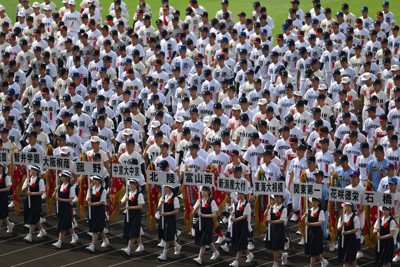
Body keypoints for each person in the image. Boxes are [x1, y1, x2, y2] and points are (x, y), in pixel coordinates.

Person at [192, 186, 220, 264]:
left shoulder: (212, 201)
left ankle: (200, 258)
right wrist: (197, 207)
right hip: (200, 222)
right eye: (202, 190)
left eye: (205, 191)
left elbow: (214, 215)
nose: (203, 192)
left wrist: (203, 215)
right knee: (207, 239)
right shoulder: (199, 201)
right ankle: (216, 252)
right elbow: (193, 213)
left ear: (208, 192)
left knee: (203, 241)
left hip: (208, 223)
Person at [52, 171, 79, 248]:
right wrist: (55, 191)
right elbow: (54, 197)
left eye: (63, 176)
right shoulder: (60, 186)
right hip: (60, 207)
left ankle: (59, 242)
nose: (61, 178)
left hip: (67, 208)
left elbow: (71, 200)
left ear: (67, 178)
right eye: (61, 177)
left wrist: (60, 199)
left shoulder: (71, 187)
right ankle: (74, 236)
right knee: (67, 224)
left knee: (62, 226)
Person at [22, 165, 47, 242]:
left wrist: (32, 193)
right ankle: (42, 231)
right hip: (28, 200)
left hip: (36, 201)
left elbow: (42, 192)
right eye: (31, 169)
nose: (32, 171)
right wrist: (27, 186)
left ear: (37, 172)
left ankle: (29, 235)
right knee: (34, 217)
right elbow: (23, 190)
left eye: (34, 170)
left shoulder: (40, 180)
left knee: (33, 217)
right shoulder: (28, 179)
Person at [302, 197, 329, 267]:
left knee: (313, 253)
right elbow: (302, 219)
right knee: (313, 249)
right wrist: (304, 216)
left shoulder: (321, 211)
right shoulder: (309, 210)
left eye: (316, 201)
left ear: (319, 203)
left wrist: (309, 224)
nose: (314, 202)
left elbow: (320, 223)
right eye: (313, 201)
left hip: (316, 233)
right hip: (310, 232)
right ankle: (323, 260)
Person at [121, 178, 145, 255]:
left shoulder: (139, 194)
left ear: (136, 185)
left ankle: (128, 248)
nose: (131, 185)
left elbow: (140, 206)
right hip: (129, 214)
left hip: (136, 215)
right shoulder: (128, 193)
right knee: (134, 231)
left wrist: (130, 207)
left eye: (133, 184)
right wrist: (125, 200)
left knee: (133, 230)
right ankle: (141, 245)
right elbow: (121, 202)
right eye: (130, 183)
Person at [229, 192, 254, 267]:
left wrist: (235, 219)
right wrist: (230, 211)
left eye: (241, 194)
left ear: (245, 195)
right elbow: (232, 213)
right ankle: (249, 254)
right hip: (236, 226)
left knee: (240, 244)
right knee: (240, 242)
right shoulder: (236, 204)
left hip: (243, 226)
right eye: (239, 194)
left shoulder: (247, 204)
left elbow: (244, 216)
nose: (239, 195)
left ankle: (236, 261)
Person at [157, 184, 181, 261]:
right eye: (164, 187)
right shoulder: (163, 197)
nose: (165, 189)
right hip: (163, 218)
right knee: (166, 234)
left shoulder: (175, 198)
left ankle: (164, 254)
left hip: (170, 219)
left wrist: (166, 214)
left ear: (170, 188)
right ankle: (177, 246)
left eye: (166, 187)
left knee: (167, 236)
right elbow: (158, 208)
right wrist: (161, 203)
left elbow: (176, 211)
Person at [86, 175, 109, 252]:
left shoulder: (103, 190)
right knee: (99, 227)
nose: (94, 181)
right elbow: (87, 199)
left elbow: (102, 202)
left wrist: (92, 204)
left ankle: (92, 246)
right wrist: (88, 199)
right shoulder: (90, 189)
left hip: (99, 211)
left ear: (100, 181)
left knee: (95, 229)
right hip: (92, 211)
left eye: (96, 179)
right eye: (94, 179)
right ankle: (105, 240)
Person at [265, 194, 288, 267]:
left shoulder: (284, 209)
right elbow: (265, 215)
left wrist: (272, 222)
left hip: (279, 229)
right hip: (272, 229)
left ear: (281, 198)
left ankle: (275, 263)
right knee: (274, 246)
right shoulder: (272, 207)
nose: (276, 199)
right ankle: (283, 255)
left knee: (275, 247)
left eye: (278, 197)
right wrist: (267, 209)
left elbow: (282, 220)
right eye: (275, 197)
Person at [337, 202, 360, 267]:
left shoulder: (355, 217)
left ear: (352, 207)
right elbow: (338, 229)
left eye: (348, 206)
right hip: (343, 239)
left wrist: (347, 232)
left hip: (351, 239)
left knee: (347, 259)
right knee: (348, 259)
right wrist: (341, 225)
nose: (346, 208)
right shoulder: (342, 217)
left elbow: (356, 229)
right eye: (345, 206)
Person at [0, 163, 14, 234]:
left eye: (0, 167)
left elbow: (8, 188)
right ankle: (10, 224)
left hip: (3, 197)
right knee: (2, 215)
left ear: (3, 168)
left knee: (1, 215)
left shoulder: (6, 177)